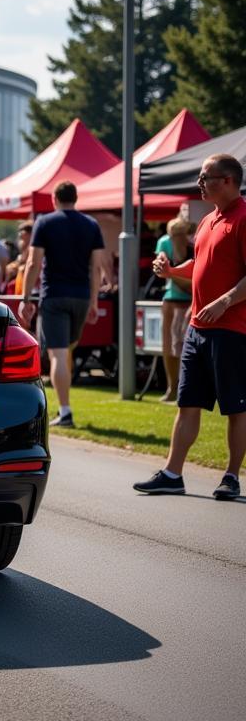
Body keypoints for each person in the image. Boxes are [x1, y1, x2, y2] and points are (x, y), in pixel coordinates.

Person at [136, 154, 246, 501]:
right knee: (187, 403)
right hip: (198, 328)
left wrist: (226, 300)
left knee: (236, 407)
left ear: (227, 180)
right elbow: (200, 263)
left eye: (205, 178)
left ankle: (230, 476)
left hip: (232, 330)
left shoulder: (243, 217)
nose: (199, 183)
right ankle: (172, 473)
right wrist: (171, 272)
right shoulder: (208, 220)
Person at [19, 181, 105, 428]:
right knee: (67, 350)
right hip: (81, 296)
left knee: (57, 354)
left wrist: (26, 298)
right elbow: (96, 267)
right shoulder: (91, 225)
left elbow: (33, 264)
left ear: (55, 199)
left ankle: (65, 411)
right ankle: (63, 406)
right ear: (76, 198)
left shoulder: (45, 222)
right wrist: (95, 300)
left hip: (54, 295)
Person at [155, 217, 193, 404]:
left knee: (175, 346)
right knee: (172, 346)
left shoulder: (190, 245)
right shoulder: (167, 243)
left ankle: (175, 388)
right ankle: (173, 388)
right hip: (177, 300)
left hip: (183, 301)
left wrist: (170, 273)